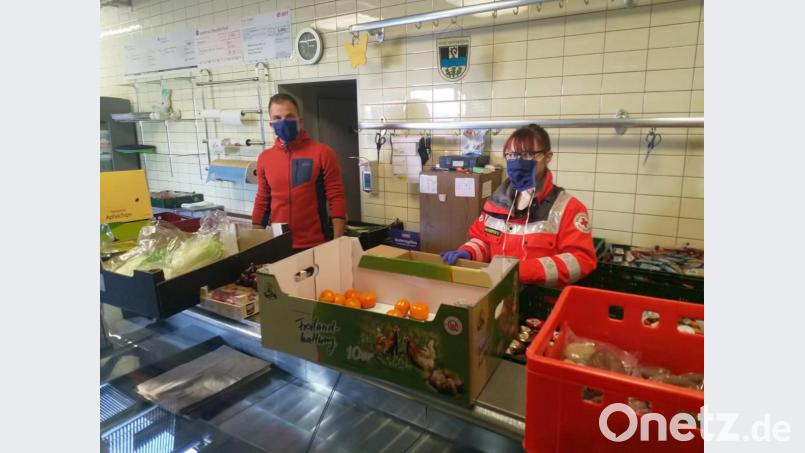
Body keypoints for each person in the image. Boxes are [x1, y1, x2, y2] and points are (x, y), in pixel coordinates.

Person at [440, 124, 597, 287]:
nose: (518, 162)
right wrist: (469, 252)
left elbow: (581, 260)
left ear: (548, 157)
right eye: (512, 155)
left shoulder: (568, 208)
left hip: (540, 301)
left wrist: (523, 271)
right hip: (499, 292)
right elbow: (484, 239)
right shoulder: (496, 202)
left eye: (527, 154)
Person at [252, 93, 347, 250]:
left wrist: (337, 242)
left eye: (289, 116)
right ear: (271, 124)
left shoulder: (322, 153)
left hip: (315, 244)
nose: (283, 122)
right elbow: (262, 201)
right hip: (278, 244)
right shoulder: (265, 158)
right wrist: (255, 245)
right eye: (277, 118)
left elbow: (336, 197)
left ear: (300, 121)